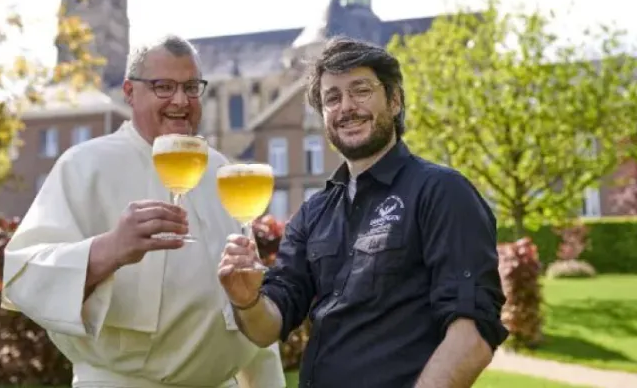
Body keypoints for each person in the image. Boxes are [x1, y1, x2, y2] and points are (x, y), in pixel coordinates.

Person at [218, 36, 509, 387]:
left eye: (361, 90)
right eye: (332, 98)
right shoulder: (313, 214)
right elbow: (269, 327)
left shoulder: (442, 192)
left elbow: (473, 334)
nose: (346, 107)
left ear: (395, 99)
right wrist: (247, 300)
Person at [1, 35, 286, 388]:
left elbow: (247, 294)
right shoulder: (84, 164)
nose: (180, 100)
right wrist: (110, 249)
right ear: (130, 92)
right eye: (163, 87)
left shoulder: (222, 170)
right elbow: (24, 274)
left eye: (191, 87)